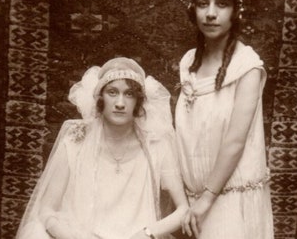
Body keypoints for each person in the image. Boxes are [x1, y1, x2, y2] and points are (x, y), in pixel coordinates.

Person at [16, 57, 188, 239]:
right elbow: (46, 210)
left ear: (138, 102)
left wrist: (146, 233)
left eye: (129, 94)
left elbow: (183, 210)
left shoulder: (156, 144)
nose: (120, 103)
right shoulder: (76, 138)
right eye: (112, 92)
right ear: (100, 98)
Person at [175, 0, 274, 239]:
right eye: (202, 3)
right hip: (192, 201)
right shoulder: (188, 63)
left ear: (235, 12)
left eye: (221, 4)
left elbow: (235, 141)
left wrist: (206, 200)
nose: (210, 13)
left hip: (229, 198)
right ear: (193, 9)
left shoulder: (247, 67)